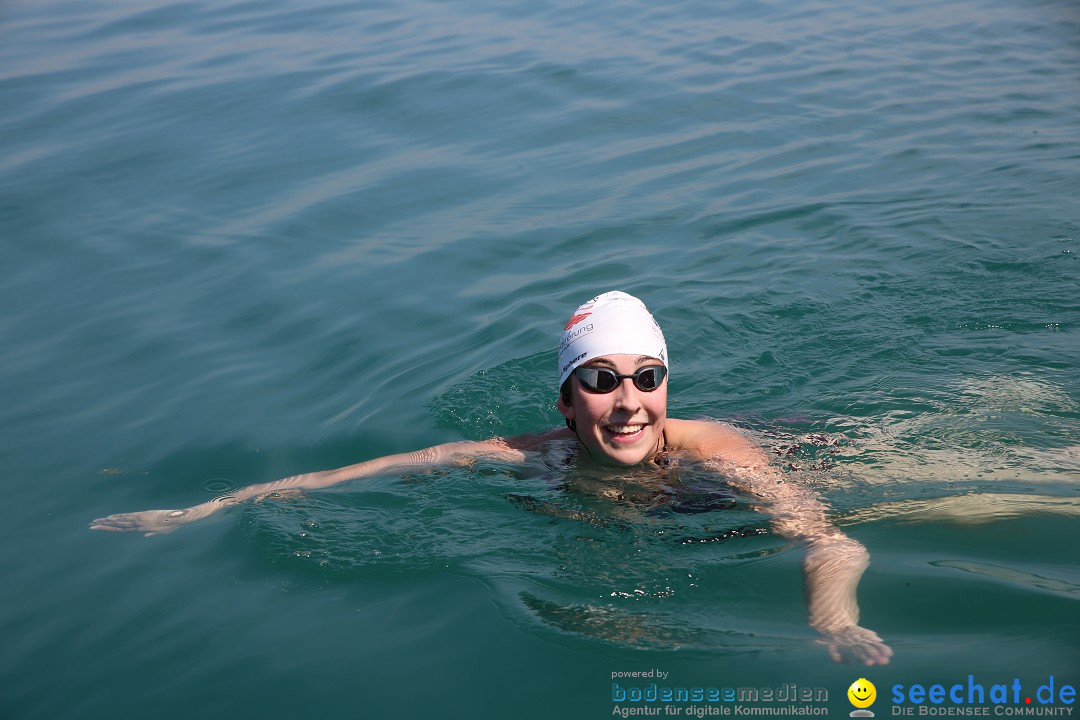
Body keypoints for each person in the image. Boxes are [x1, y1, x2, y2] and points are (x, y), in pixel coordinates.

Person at [91, 291, 893, 666]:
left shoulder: (720, 450)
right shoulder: (529, 452)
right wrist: (201, 511)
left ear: (666, 387)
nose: (627, 403)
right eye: (601, 380)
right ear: (566, 401)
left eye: (647, 378)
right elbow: (353, 473)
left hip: (834, 459)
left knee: (969, 509)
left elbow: (831, 540)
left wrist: (833, 623)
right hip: (667, 514)